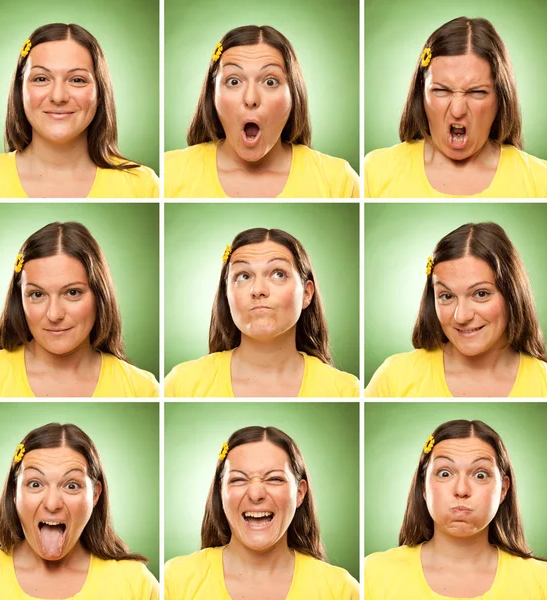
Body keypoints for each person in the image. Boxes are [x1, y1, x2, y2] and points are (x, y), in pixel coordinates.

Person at [364, 17, 547, 198]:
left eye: (477, 92)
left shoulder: (544, 183)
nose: (457, 111)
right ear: (420, 94)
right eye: (441, 90)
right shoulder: (374, 172)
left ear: (501, 98)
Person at [364, 419, 547, 599]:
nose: (461, 490)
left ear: (503, 489)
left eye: (480, 475)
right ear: (423, 486)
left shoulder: (544, 582)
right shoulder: (372, 575)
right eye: (444, 473)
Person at [0, 422, 159, 599]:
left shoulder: (136, 584)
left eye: (71, 486)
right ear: (14, 492)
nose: (52, 504)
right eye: (35, 483)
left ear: (95, 495)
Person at [0, 221, 159, 397]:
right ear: (19, 298)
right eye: (37, 295)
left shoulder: (142, 388)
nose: (54, 314)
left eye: (72, 292)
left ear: (100, 295)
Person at [365, 222, 547, 397]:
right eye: (447, 296)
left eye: (481, 294)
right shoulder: (394, 378)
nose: (462, 316)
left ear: (512, 294)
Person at [0, 23, 159, 198]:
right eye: (41, 78)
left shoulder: (143, 185)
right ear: (20, 90)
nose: (58, 97)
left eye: (77, 80)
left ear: (100, 93)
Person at [165, 425, 359, 599]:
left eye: (274, 479)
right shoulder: (173, 582)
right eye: (238, 479)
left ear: (299, 493)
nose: (256, 493)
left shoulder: (341, 590)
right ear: (220, 492)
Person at [164, 25, 359, 198]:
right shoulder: (169, 173)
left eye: (270, 82)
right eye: (234, 81)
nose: (251, 99)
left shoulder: (339, 180)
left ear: (294, 93)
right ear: (212, 93)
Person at [164, 227, 359, 397]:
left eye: (278, 274)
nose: (258, 290)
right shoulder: (181, 385)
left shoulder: (346, 390)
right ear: (227, 294)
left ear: (307, 294)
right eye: (243, 276)